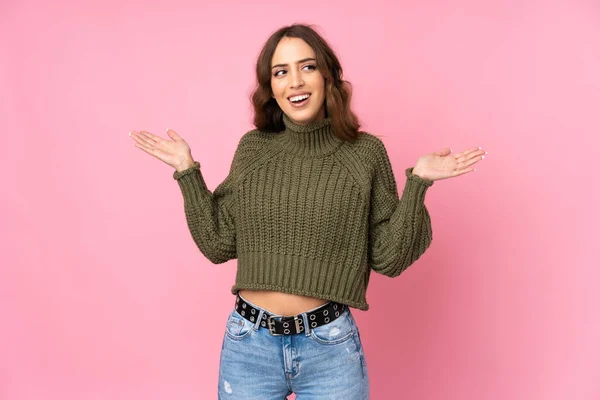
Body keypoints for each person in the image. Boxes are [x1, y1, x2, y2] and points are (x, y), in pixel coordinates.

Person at [129, 23, 486, 400]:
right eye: (281, 72)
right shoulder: (254, 150)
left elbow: (389, 258)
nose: (295, 82)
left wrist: (419, 184)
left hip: (329, 347)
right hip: (249, 344)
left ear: (328, 75)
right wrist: (187, 171)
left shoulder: (363, 154)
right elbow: (218, 243)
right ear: (272, 87)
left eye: (307, 67)